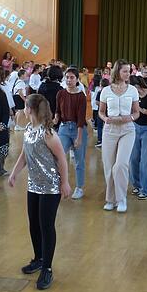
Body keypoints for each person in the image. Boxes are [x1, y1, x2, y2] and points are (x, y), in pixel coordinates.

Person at [9, 94, 71, 290]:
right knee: (33, 225)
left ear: (31, 110)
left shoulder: (49, 134)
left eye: (25, 107)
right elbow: (24, 154)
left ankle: (47, 269)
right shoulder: (28, 129)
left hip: (50, 187)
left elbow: (62, 159)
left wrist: (65, 183)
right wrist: (14, 173)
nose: (23, 111)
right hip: (33, 185)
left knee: (46, 226)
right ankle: (38, 258)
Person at [99, 60, 140, 213]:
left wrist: (130, 118)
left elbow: (137, 112)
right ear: (117, 72)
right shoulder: (106, 91)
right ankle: (110, 199)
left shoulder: (132, 90)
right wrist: (105, 119)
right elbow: (101, 112)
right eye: (125, 71)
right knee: (109, 166)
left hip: (127, 129)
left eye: (129, 71)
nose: (128, 74)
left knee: (121, 164)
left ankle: (121, 199)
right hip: (109, 130)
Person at [55, 67, 88, 200]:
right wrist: (56, 118)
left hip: (77, 128)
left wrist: (79, 138)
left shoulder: (81, 96)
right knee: (58, 156)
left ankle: (79, 187)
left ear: (77, 79)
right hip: (63, 128)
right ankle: (61, 185)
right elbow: (57, 110)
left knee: (79, 160)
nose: (69, 80)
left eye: (72, 77)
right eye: (67, 77)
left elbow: (81, 118)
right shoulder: (60, 94)